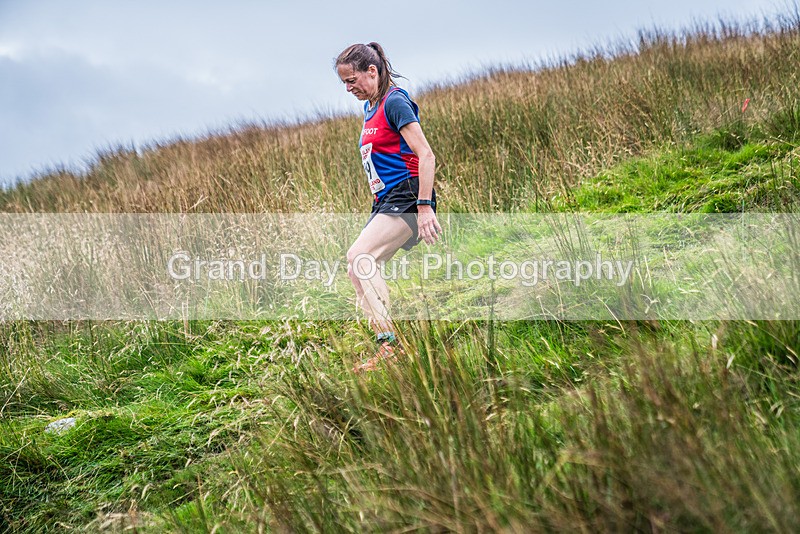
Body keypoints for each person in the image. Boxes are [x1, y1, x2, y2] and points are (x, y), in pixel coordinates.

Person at [335, 42, 442, 373]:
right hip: (385, 199)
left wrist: (424, 208)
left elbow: (426, 154)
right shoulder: (371, 106)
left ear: (372, 71)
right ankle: (385, 344)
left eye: (352, 80)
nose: (349, 88)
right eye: (344, 84)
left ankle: (391, 348)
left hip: (408, 195)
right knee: (358, 269)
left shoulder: (395, 101)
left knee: (360, 257)